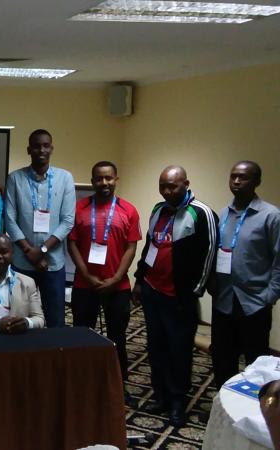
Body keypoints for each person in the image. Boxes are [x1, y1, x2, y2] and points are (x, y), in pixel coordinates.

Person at [132, 165, 217, 427]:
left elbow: (210, 254)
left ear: (186, 184)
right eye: (163, 186)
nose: (167, 191)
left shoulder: (201, 213)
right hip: (152, 291)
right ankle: (160, 395)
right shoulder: (158, 210)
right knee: (155, 347)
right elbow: (150, 246)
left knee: (179, 350)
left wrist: (195, 292)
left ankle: (178, 401)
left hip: (179, 297)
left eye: (173, 186)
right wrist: (139, 280)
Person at [67, 161, 141, 404]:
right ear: (92, 181)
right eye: (99, 178)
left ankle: (118, 385)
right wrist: (87, 275)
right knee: (81, 336)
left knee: (116, 337)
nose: (104, 183)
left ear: (116, 179)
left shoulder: (128, 210)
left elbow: (131, 247)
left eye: (108, 178)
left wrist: (117, 277)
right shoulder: (79, 208)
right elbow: (72, 244)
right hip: (84, 285)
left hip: (117, 287)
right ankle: (81, 383)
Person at [211, 161, 280, 388]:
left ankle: (253, 412)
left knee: (255, 363)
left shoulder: (271, 216)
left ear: (257, 181)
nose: (237, 181)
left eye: (244, 177)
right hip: (224, 300)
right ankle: (222, 409)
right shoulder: (224, 213)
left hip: (254, 302)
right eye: (233, 176)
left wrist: (269, 296)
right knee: (223, 359)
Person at [4, 129, 76, 328]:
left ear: (51, 148)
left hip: (53, 263)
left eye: (45, 145)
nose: (41, 150)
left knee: (55, 319)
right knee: (19, 318)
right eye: (36, 146)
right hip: (21, 261)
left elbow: (68, 220)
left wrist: (42, 250)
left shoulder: (65, 178)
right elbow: (10, 219)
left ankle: (55, 357)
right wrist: (29, 250)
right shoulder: (15, 178)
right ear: (29, 149)